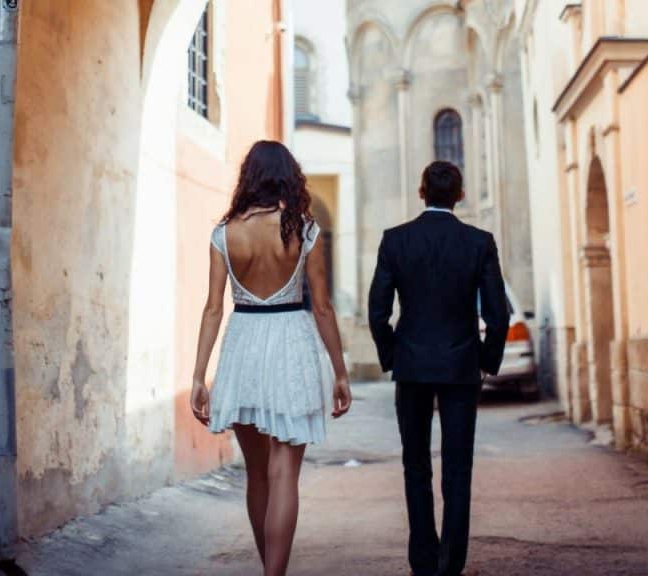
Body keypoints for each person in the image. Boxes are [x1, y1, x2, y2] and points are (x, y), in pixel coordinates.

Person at [190, 140, 352, 576]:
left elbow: (212, 308)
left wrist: (199, 377)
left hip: (243, 344)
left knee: (257, 474)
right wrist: (339, 372)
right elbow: (322, 306)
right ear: (287, 177)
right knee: (284, 475)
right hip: (291, 344)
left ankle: (270, 570)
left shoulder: (224, 234)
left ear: (249, 178)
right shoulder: (304, 229)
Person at [368, 160, 510, 576]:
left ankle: (423, 562)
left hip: (412, 366)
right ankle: (451, 566)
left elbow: (378, 312)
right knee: (458, 468)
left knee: (415, 464)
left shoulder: (396, 241)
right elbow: (498, 315)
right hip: (462, 365)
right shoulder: (479, 242)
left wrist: (393, 354)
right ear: (460, 195)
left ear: (420, 192)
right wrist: (485, 360)